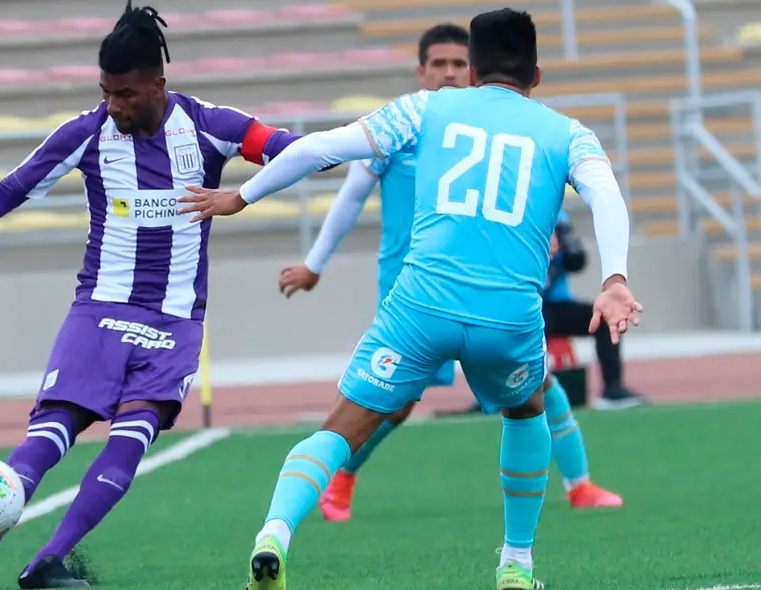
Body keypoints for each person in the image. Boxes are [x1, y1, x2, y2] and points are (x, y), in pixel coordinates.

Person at [176, 9, 641, 589]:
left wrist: (241, 196)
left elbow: (320, 148)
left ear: (472, 71)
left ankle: (274, 533)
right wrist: (615, 278)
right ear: (537, 76)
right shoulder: (568, 133)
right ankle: (516, 566)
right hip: (508, 316)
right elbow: (607, 196)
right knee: (526, 413)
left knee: (341, 430)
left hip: (419, 307)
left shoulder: (426, 107)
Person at [0, 3, 307, 589]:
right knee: (49, 432)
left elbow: (297, 151)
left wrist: (244, 194)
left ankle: (48, 564)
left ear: (158, 84)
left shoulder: (212, 126)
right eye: (106, 92)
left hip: (175, 320)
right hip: (100, 308)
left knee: (133, 437)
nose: (114, 105)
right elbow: (11, 188)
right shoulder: (87, 133)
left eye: (126, 94)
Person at [279, 23, 622, 524]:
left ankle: (580, 484)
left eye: (458, 64)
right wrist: (314, 263)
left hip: (485, 290)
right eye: (437, 64)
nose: (448, 72)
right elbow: (351, 196)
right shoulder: (406, 124)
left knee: (538, 384)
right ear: (421, 71)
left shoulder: (500, 132)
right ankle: (343, 481)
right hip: (413, 288)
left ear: (475, 71)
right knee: (395, 406)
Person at [545, 209, 647, 409]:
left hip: (557, 305)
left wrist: (563, 245)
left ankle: (612, 389)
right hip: (526, 305)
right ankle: (499, 396)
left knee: (605, 318)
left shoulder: (557, 217)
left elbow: (577, 262)